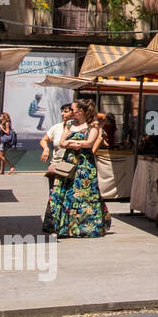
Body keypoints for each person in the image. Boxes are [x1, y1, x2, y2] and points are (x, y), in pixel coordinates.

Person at [42, 98, 110, 237]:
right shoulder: (69, 124)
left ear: (80, 111)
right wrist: (77, 144)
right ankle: (62, 227)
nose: (69, 112)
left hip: (85, 164)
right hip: (68, 162)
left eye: (72, 109)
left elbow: (89, 143)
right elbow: (62, 143)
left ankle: (85, 228)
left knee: (84, 194)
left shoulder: (93, 126)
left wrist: (71, 142)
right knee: (62, 192)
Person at [40, 103, 73, 193]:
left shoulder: (77, 128)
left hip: (72, 167)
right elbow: (44, 140)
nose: (62, 114)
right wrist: (46, 148)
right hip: (56, 165)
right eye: (62, 112)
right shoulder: (56, 127)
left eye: (66, 112)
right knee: (54, 194)